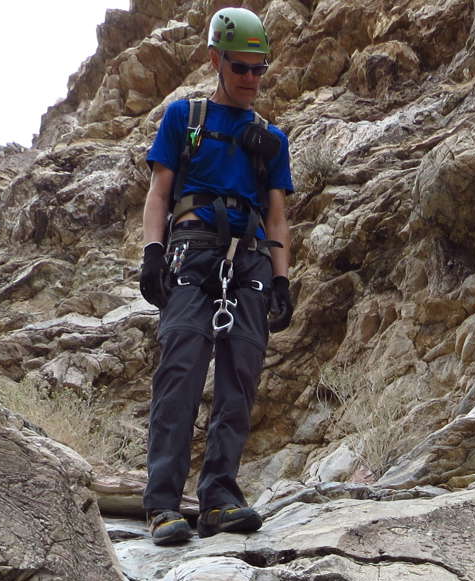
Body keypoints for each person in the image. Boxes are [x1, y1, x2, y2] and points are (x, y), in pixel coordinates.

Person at [138, 6, 294, 546]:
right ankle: (162, 504)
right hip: (192, 252)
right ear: (215, 60)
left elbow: (277, 215)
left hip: (249, 259)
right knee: (180, 373)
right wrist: (152, 253)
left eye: (259, 69)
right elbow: (159, 192)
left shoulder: (270, 137)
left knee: (238, 379)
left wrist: (281, 279)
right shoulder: (186, 118)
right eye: (240, 67)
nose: (251, 78)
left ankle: (219, 499)